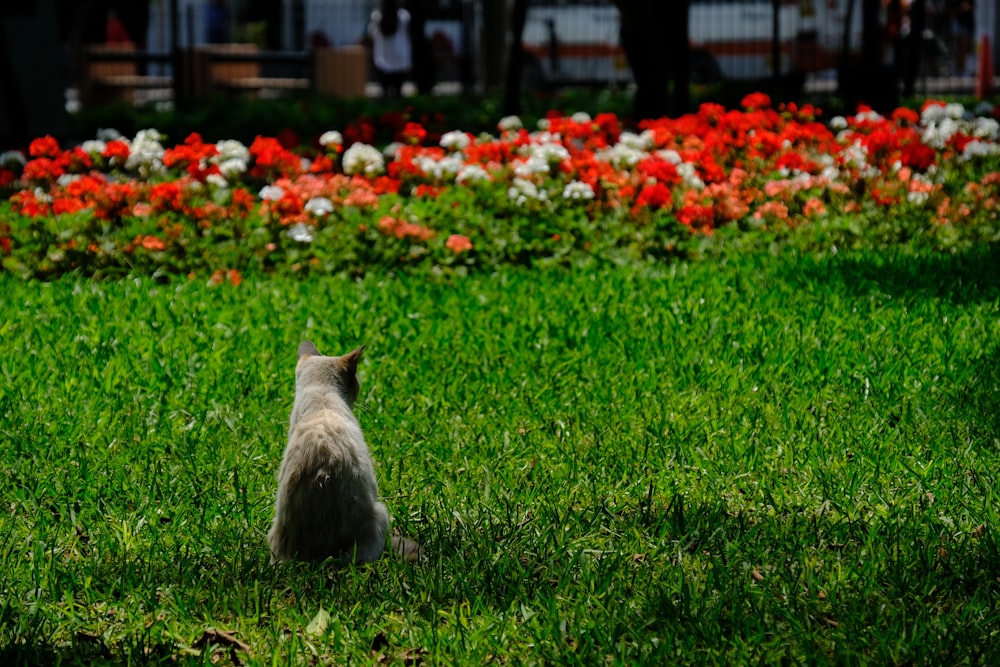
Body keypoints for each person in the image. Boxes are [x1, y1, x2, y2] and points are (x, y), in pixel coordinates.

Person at [366, 0, 412, 98]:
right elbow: (408, 34)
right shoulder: (404, 16)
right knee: (398, 92)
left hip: (383, 55)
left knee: (385, 92)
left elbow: (371, 34)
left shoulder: (377, 16)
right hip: (400, 56)